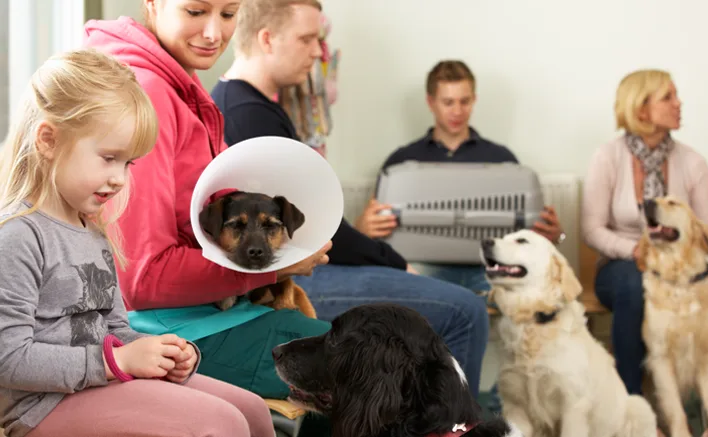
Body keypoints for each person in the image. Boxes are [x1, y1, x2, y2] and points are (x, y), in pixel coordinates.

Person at [211, 0, 488, 400]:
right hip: (299, 274)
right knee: (466, 312)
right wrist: (396, 263)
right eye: (307, 39)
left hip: (305, 263)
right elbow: (325, 232)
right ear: (267, 39)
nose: (318, 52)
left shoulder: (247, 106)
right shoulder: (249, 116)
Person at [0, 49, 275, 437]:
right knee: (222, 423)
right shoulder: (18, 236)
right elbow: (8, 359)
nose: (119, 179)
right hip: (42, 406)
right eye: (109, 158)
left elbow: (113, 328)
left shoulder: (93, 231)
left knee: (250, 411)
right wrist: (118, 361)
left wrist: (161, 351)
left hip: (100, 380)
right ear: (48, 139)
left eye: (128, 164)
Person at [82, 0, 332, 406]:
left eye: (229, 14)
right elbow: (140, 280)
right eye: (196, 12)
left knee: (362, 355)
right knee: (371, 368)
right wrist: (272, 268)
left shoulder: (184, 88)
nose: (214, 33)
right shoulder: (149, 96)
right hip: (160, 330)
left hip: (203, 314)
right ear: (153, 6)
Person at [582, 68, 708, 437]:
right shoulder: (607, 157)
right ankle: (633, 411)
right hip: (620, 263)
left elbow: (703, 226)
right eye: (669, 97)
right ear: (641, 108)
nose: (679, 104)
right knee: (634, 287)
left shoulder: (692, 162)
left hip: (677, 264)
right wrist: (636, 250)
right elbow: (592, 229)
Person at [357, 60, 565, 295]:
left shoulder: (502, 159)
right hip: (424, 268)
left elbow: (524, 239)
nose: (457, 111)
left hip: (490, 269)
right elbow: (374, 232)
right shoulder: (400, 163)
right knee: (406, 292)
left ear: (474, 100)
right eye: (448, 102)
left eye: (464, 101)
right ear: (430, 102)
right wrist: (362, 228)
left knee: (531, 293)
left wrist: (555, 236)